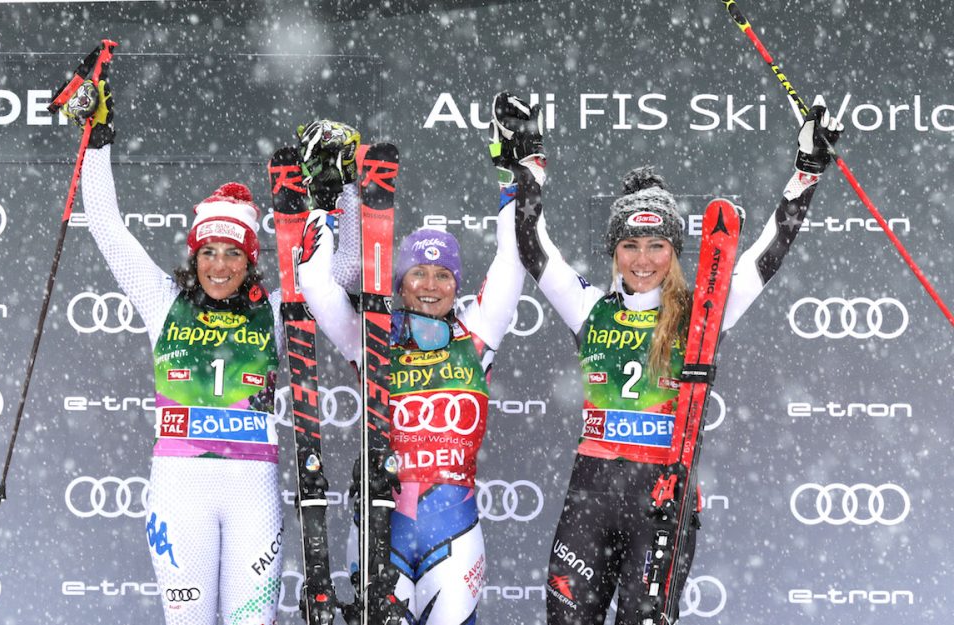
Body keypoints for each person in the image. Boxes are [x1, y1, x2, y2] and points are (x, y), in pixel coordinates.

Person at [491, 91, 843, 625]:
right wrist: (529, 161)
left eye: (657, 246)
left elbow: (765, 257)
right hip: (590, 498)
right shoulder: (589, 307)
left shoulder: (702, 314)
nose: (643, 259)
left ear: (675, 252)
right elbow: (532, 244)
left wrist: (806, 173)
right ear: (614, 251)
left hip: (663, 502)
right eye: (630, 245)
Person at [67, 71, 284, 625]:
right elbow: (109, 230)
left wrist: (343, 197)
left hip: (252, 492)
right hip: (179, 490)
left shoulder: (276, 311)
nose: (218, 265)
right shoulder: (163, 302)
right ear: (194, 255)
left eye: (231, 253)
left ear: (249, 260)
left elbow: (346, 273)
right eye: (207, 251)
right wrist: (98, 140)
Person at [295, 121, 531, 624]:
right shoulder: (371, 339)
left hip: (456, 530)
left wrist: (519, 173)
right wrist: (326, 200)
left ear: (456, 284)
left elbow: (512, 262)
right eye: (417, 274)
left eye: (443, 274)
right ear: (398, 283)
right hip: (383, 525)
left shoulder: (476, 336)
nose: (430, 285)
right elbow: (314, 285)